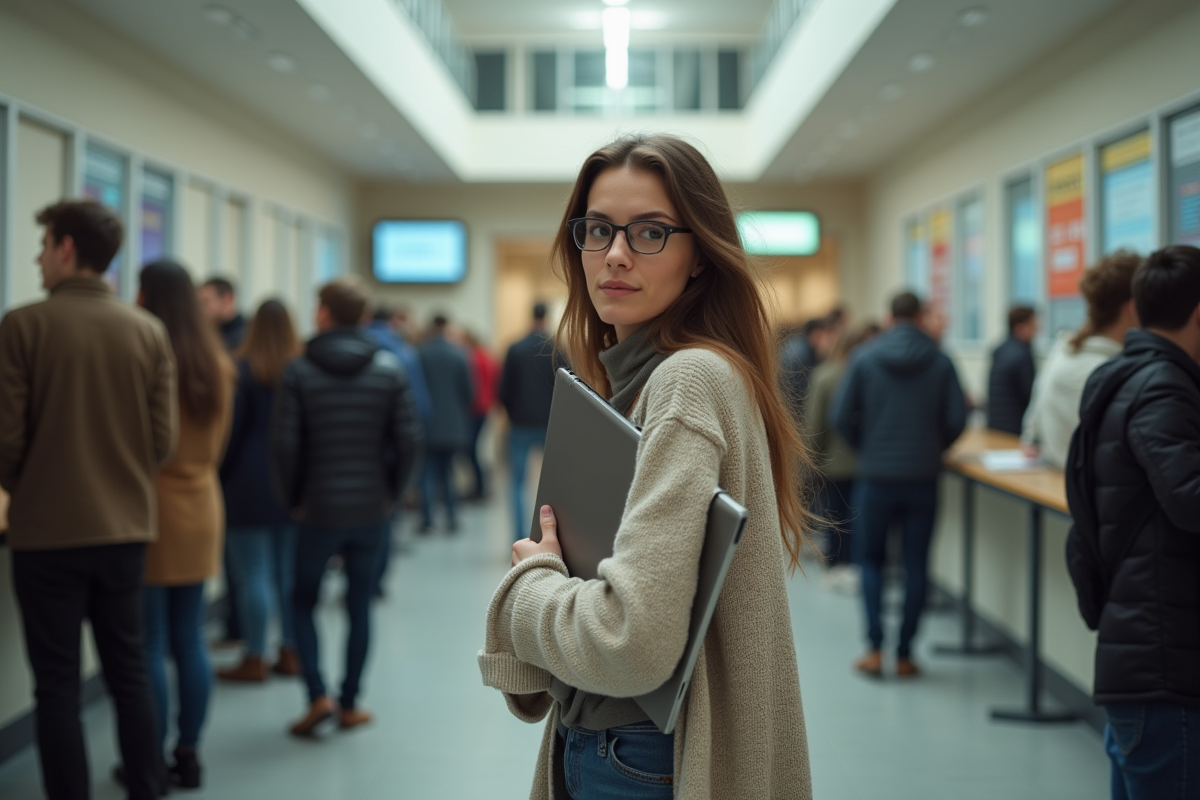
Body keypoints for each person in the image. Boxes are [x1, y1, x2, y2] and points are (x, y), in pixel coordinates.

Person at [478, 134, 814, 798]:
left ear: (699, 256)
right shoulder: (648, 376)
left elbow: (632, 639)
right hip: (629, 744)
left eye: (651, 232)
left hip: (638, 755)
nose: (616, 256)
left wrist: (530, 585)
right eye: (598, 230)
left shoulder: (686, 380)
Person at [0, 200, 174, 800]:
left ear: (67, 248)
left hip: (46, 532)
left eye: (44, 245)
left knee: (56, 685)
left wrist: (34, 482)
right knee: (128, 671)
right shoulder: (147, 330)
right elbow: (162, 440)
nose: (37, 257)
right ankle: (147, 788)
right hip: (125, 528)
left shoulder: (22, 326)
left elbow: (6, 439)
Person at [1066, 245, 1200, 800]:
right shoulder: (1163, 388)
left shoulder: (1121, 377)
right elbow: (1191, 498)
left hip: (1142, 651)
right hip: (1164, 660)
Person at [272, 277, 422, 736]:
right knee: (359, 603)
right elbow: (410, 439)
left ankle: (316, 695)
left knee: (302, 600)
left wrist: (294, 499)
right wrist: (391, 496)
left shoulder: (297, 371)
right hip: (370, 509)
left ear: (322, 314)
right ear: (361, 317)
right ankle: (350, 701)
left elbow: (285, 445)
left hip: (315, 509)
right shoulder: (389, 369)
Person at [134, 260, 235, 790]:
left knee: (149, 642)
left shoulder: (147, 356)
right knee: (190, 636)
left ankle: (146, 758)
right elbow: (218, 446)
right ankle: (189, 751)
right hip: (202, 502)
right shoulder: (217, 361)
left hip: (152, 506)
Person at [834, 291, 967, 678]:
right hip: (923, 478)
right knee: (915, 565)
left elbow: (841, 416)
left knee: (871, 560)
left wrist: (868, 449)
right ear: (921, 317)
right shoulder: (941, 361)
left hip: (875, 478)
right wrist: (932, 447)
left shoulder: (864, 357)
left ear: (889, 317)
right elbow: (957, 417)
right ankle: (906, 653)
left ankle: (874, 649)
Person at [217, 299, 303, 683]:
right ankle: (289, 650)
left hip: (246, 481)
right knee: (286, 575)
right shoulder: (300, 370)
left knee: (253, 574)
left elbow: (230, 434)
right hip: (291, 481)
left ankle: (254, 656)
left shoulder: (240, 370)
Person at [1022, 251, 1140, 468]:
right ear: (1132, 308)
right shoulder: (1112, 371)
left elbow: (1034, 422)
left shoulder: (1064, 351)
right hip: (1085, 491)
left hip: (1063, 479)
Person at [199, 276, 247, 646]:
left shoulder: (237, 350)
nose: (201, 310)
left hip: (235, 475)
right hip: (246, 476)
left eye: (207, 301)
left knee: (246, 567)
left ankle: (245, 635)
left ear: (226, 300)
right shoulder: (220, 344)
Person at [805, 325, 870, 590]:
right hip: (864, 461)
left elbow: (814, 423)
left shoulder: (825, 376)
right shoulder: (868, 375)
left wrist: (811, 457)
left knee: (833, 518)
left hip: (832, 460)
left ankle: (833, 566)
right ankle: (854, 566)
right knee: (857, 518)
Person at [497, 302, 558, 541]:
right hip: (549, 425)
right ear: (547, 315)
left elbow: (503, 391)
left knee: (516, 483)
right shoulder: (557, 349)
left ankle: (520, 536)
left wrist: (512, 414)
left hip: (520, 424)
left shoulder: (515, 348)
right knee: (553, 485)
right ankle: (548, 536)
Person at [417, 315, 474, 533]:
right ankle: (451, 517)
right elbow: (469, 393)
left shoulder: (420, 354)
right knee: (448, 473)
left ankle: (427, 520)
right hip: (452, 426)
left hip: (427, 425)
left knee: (427, 474)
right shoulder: (459, 355)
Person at [986, 305, 1038, 435]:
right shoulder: (1022, 355)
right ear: (1020, 328)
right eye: (1033, 325)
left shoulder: (999, 349)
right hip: (1015, 428)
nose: (1037, 330)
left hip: (995, 425)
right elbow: (1031, 395)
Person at [463, 330, 501, 500]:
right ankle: (481, 485)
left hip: (476, 409)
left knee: (471, 449)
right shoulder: (488, 357)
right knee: (475, 449)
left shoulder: (473, 359)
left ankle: (479, 486)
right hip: (486, 407)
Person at [779, 315, 830, 422]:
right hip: (794, 413)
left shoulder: (795, 344)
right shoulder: (804, 355)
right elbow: (804, 393)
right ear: (816, 334)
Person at [198, 276, 247, 352]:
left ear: (227, 300)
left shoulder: (247, 335)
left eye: (205, 302)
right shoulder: (207, 333)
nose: (200, 309)